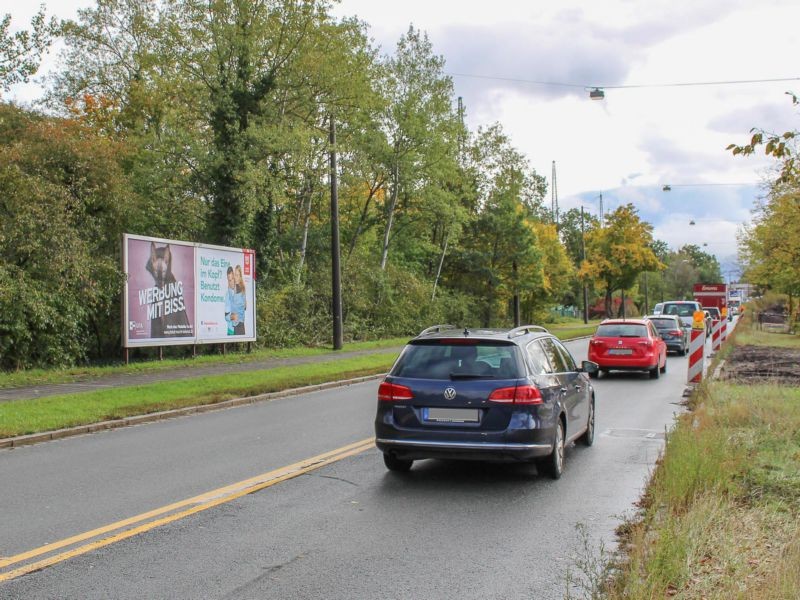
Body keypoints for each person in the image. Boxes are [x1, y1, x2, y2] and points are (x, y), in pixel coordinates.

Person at [231, 264, 247, 335]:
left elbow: (241, 305)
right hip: (237, 322)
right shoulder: (236, 287)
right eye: (235, 274)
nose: (235, 277)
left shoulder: (239, 288)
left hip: (238, 323)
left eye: (237, 275)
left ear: (240, 277)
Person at [224, 266, 236, 335]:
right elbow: (226, 317)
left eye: (232, 280)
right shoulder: (228, 294)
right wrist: (232, 317)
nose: (230, 282)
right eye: (229, 280)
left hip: (240, 330)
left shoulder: (240, 292)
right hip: (231, 331)